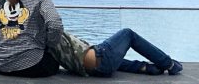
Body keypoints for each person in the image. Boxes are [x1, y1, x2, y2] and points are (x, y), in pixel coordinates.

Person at [51, 29, 183, 77]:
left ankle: (146, 68)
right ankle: (169, 64)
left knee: (108, 53)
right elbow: (54, 23)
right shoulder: (49, 28)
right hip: (101, 60)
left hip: (88, 68)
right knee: (128, 34)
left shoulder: (41, 39)